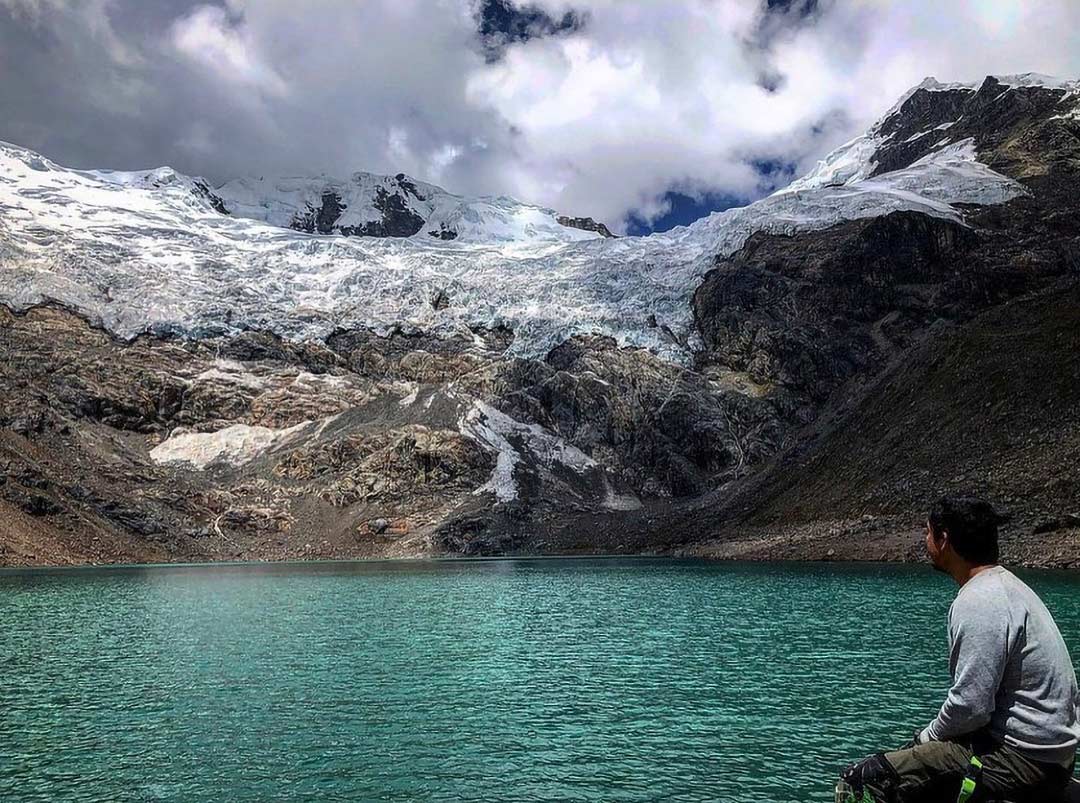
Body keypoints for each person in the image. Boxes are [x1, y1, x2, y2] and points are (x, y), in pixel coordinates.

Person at [837, 497, 1080, 803]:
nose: (925, 541)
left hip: (1024, 763)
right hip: (1051, 754)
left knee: (865, 780)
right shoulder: (1010, 587)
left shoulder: (978, 601)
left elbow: (971, 707)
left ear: (944, 540)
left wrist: (925, 738)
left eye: (928, 533)